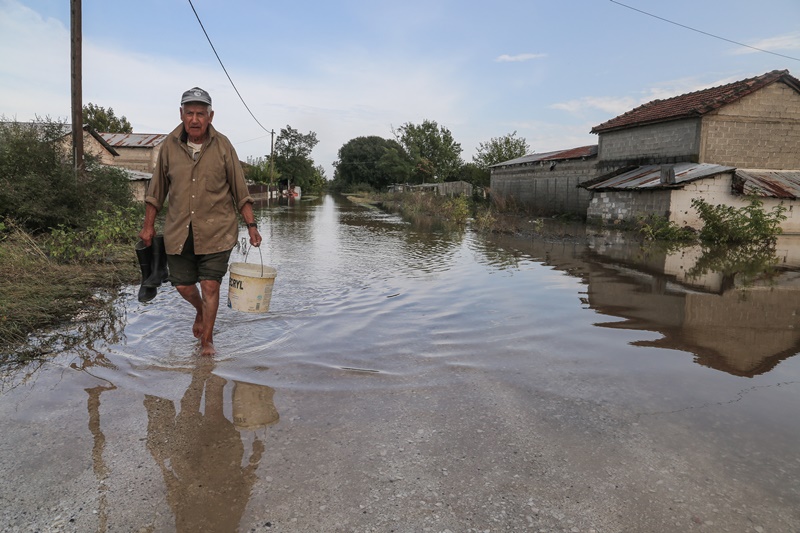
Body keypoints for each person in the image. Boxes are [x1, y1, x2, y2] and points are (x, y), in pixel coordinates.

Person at [139, 87, 262, 356]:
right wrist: (148, 227)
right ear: (181, 114)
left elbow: (241, 191)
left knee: (210, 284)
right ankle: (200, 310)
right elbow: (156, 191)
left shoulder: (223, 146)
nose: (195, 119)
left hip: (217, 230)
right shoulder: (169, 147)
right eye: (190, 113)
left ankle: (207, 341)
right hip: (179, 230)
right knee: (182, 284)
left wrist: (251, 226)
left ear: (210, 116)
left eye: (201, 114)